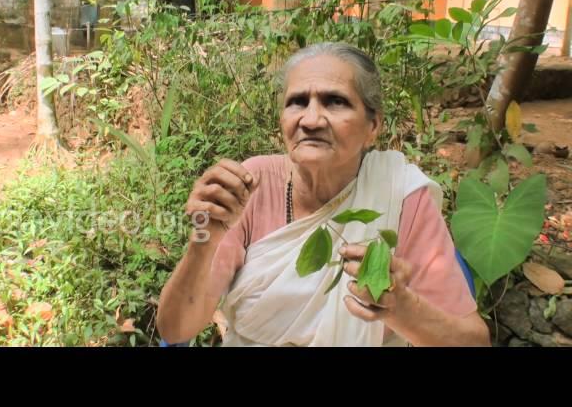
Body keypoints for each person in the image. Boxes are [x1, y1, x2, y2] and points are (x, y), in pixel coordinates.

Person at [156, 42, 491, 347]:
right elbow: (175, 331)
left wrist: (401, 307)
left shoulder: (399, 195)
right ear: (282, 121)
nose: (311, 119)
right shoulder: (250, 185)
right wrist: (204, 240)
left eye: (335, 101)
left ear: (373, 126)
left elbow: (473, 342)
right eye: (297, 102)